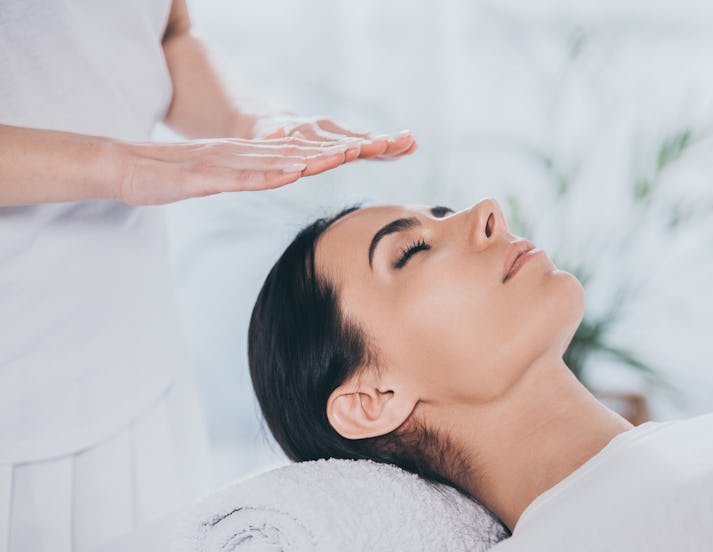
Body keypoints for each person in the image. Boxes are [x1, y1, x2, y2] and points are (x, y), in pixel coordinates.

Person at [0, 0, 415, 550]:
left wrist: (256, 125)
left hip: (133, 354)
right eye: (407, 254)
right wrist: (121, 165)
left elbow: (167, 33)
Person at [247, 198, 713, 551]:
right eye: (413, 250)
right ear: (374, 398)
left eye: (444, 213)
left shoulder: (706, 455)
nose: (486, 212)